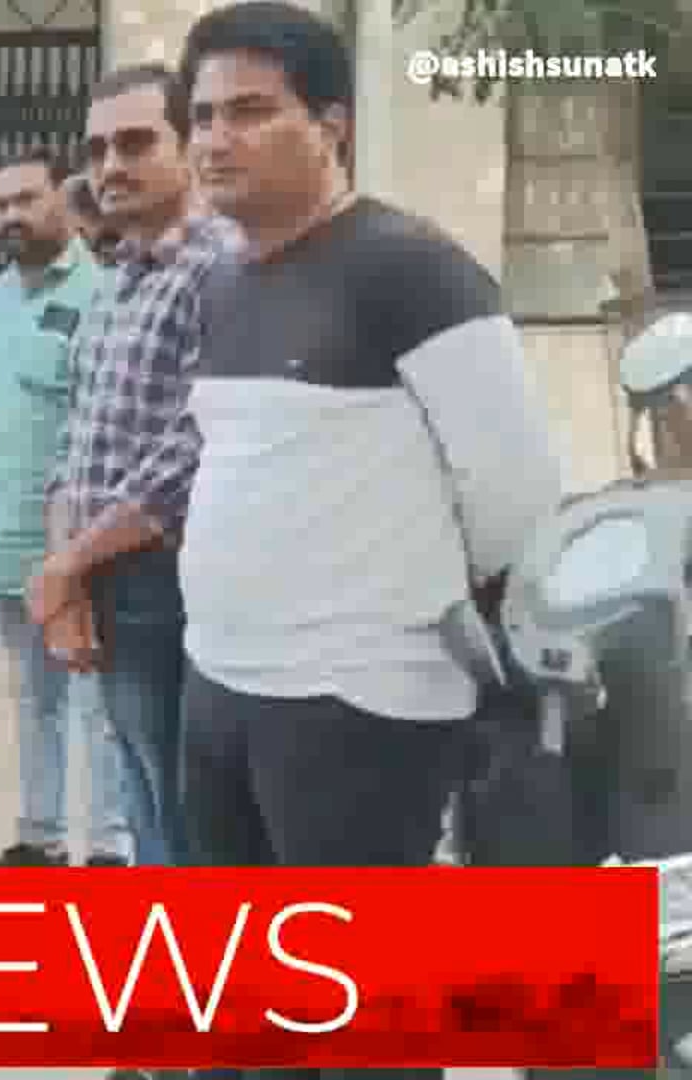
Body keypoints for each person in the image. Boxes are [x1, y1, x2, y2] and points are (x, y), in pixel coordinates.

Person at [176, 1, 561, 888]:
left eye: (250, 111)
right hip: (221, 681)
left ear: (331, 126)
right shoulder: (225, 280)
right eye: (202, 116)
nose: (216, 140)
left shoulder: (412, 270)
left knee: (354, 964)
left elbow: (516, 496)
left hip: (357, 702)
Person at [25, 65, 242, 871]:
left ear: (189, 146)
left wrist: (69, 565)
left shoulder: (222, 269)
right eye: (97, 149)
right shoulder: (119, 279)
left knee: (188, 809)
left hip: (169, 579)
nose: (111, 166)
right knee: (143, 790)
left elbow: (192, 449)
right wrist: (66, 570)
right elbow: (73, 439)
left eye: (136, 142)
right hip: (103, 575)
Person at [0, 146, 128, 869]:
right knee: (32, 698)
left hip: (83, 535)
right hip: (12, 532)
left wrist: (86, 543)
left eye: (26, 200)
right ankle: (40, 839)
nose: (11, 215)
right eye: (1, 204)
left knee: (95, 701)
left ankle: (108, 850)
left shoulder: (106, 292)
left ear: (64, 203)